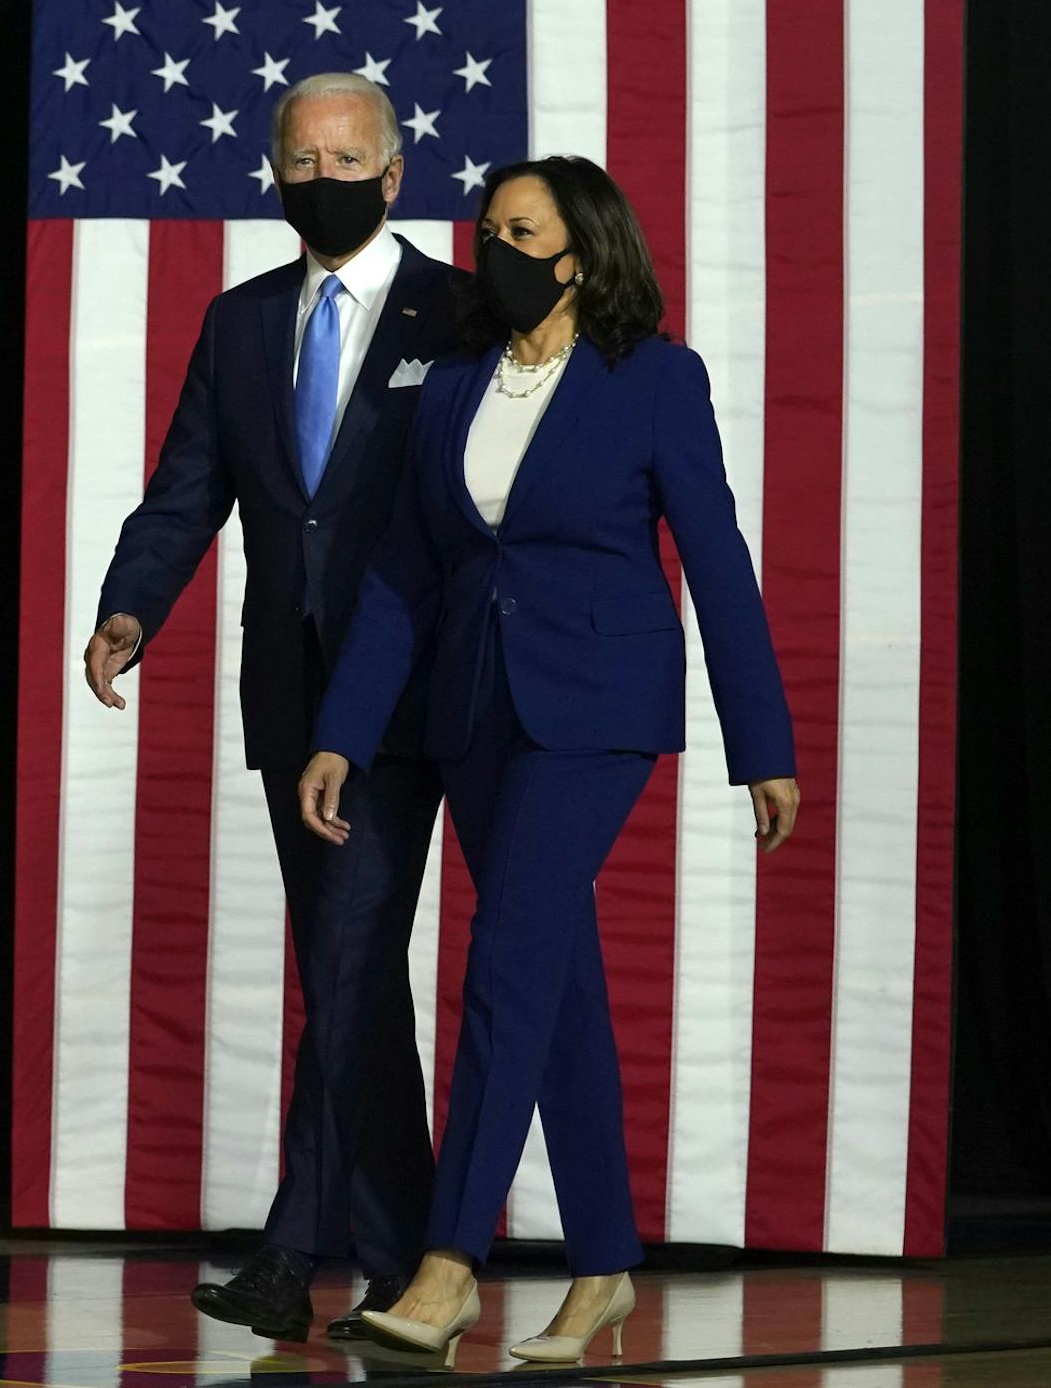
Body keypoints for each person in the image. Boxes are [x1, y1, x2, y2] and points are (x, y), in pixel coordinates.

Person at [296, 155, 800, 1366]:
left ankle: (451, 1259)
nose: (496, 250)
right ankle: (605, 1269)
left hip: (598, 708)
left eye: (523, 232)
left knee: (505, 963)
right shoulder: (457, 380)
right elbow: (407, 575)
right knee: (555, 983)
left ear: (582, 255)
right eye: (487, 230)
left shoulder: (655, 380)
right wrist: (341, 732)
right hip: (476, 711)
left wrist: (762, 743)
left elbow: (719, 561)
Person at [82, 74, 465, 1342]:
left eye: (348, 157)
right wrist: (132, 608)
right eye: (302, 159)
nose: (324, 177)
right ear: (274, 173)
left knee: (350, 960)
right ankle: (409, 1258)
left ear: (396, 172)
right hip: (287, 697)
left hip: (407, 698)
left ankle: (292, 1252)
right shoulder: (241, 321)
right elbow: (187, 488)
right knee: (347, 974)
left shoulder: (454, 313)